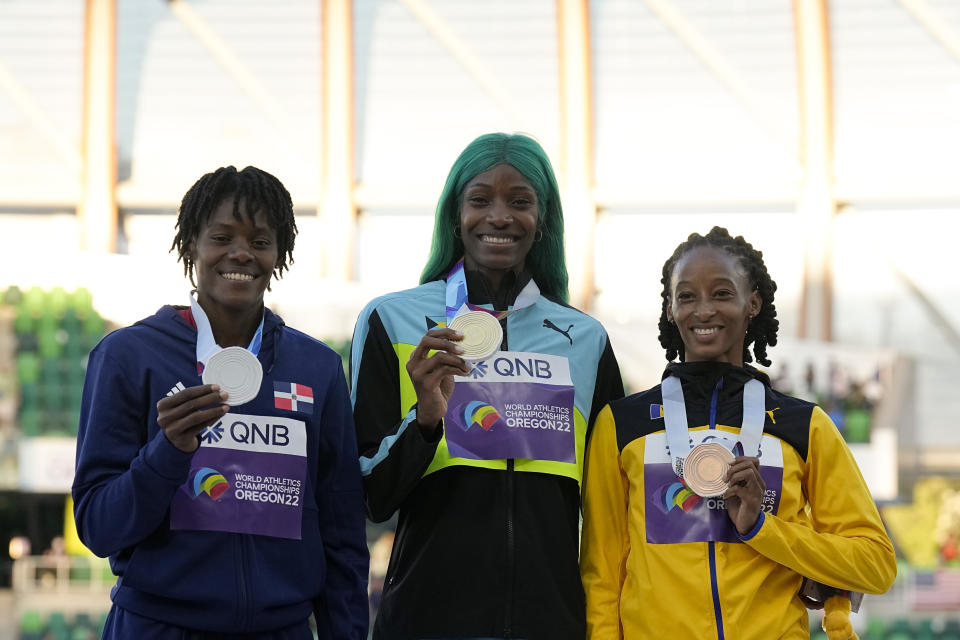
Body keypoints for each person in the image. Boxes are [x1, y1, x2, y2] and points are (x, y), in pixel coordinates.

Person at [72, 166, 369, 639]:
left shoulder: (317, 368)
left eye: (260, 240)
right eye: (221, 237)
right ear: (190, 244)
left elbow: (342, 531)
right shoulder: (127, 357)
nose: (241, 254)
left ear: (280, 253)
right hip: (158, 627)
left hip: (282, 629)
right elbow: (98, 526)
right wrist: (166, 452)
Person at [350, 132, 624, 639]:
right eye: (480, 200)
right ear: (455, 214)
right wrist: (426, 420)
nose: (499, 216)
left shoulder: (585, 339)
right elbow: (370, 497)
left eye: (520, 201)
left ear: (543, 220)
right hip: (428, 621)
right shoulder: (392, 320)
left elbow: (613, 505)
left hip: (553, 622)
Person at [580, 226, 896, 640]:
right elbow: (602, 575)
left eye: (722, 293)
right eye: (687, 296)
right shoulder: (622, 425)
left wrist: (762, 529)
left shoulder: (805, 426)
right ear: (671, 309)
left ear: (753, 303)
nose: (704, 310)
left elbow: (875, 564)